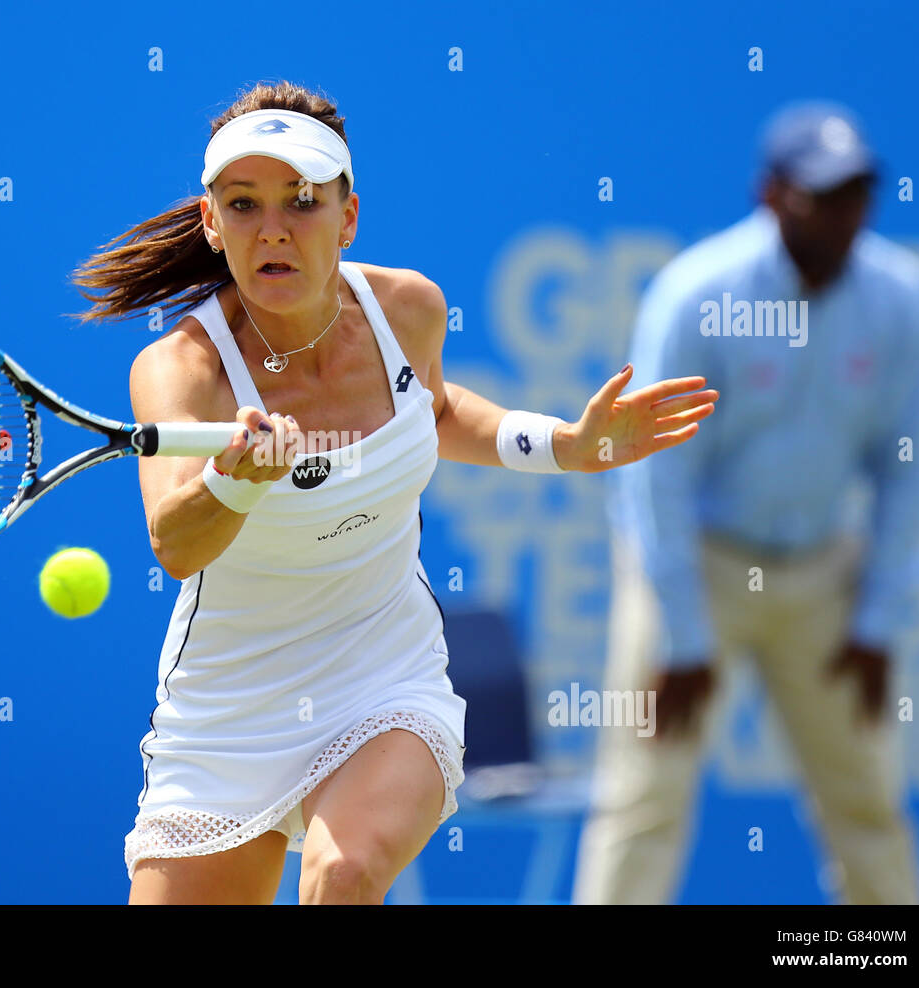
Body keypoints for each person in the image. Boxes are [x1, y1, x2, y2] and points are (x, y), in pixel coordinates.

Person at [72, 81, 717, 905]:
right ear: (212, 223)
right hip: (227, 712)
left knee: (343, 873)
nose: (273, 228)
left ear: (347, 217)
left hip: (385, 676)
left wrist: (566, 445)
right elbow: (175, 543)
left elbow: (438, 411)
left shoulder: (407, 309)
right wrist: (234, 486)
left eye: (302, 202)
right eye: (244, 204)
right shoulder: (179, 370)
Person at [572, 101, 919, 905]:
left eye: (856, 196)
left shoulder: (901, 296)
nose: (844, 217)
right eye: (822, 197)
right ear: (772, 196)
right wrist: (683, 635)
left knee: (868, 805)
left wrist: (877, 621)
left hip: (823, 575)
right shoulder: (698, 294)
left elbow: (905, 468)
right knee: (642, 802)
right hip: (694, 566)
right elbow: (656, 477)